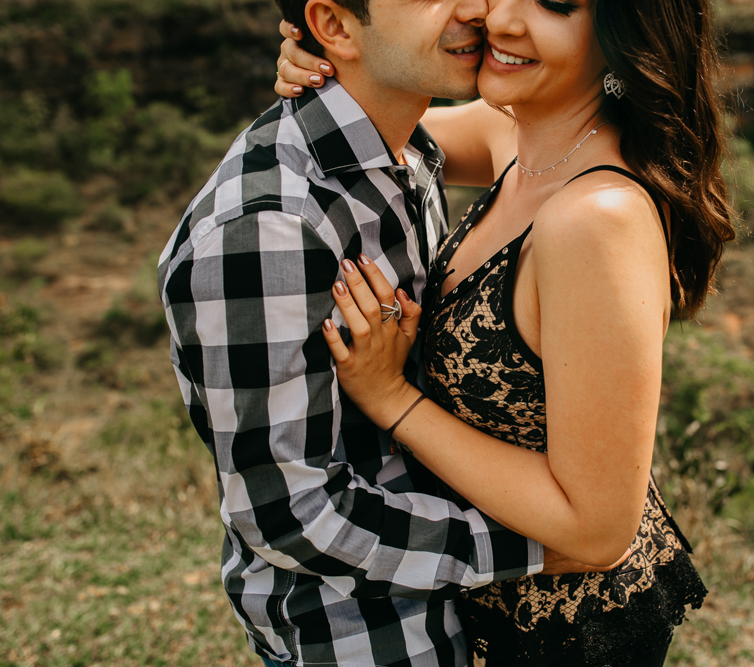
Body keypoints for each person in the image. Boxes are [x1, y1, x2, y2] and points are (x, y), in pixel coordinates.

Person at [274, 0, 734, 664]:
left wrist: (392, 399)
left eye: (554, 5)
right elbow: (376, 123)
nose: (505, 19)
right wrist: (325, 58)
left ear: (621, 36)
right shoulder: (520, 136)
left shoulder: (595, 219)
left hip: (559, 635)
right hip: (474, 599)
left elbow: (600, 528)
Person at [156, 0, 608, 665]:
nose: (477, 8)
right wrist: (541, 547)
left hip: (468, 616)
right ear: (336, 26)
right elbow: (293, 514)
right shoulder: (266, 231)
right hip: (364, 639)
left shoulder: (408, 148)